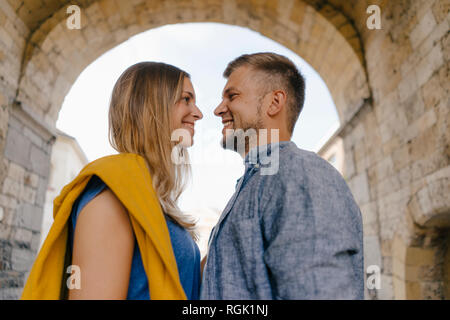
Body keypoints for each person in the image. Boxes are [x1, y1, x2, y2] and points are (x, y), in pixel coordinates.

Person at [22, 62, 203, 300]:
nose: (198, 113)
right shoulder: (112, 198)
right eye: (186, 99)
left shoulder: (150, 198)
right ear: (152, 107)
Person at [200, 52, 364, 299]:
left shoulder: (301, 173)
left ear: (274, 103)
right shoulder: (254, 183)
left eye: (232, 96)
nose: (217, 109)